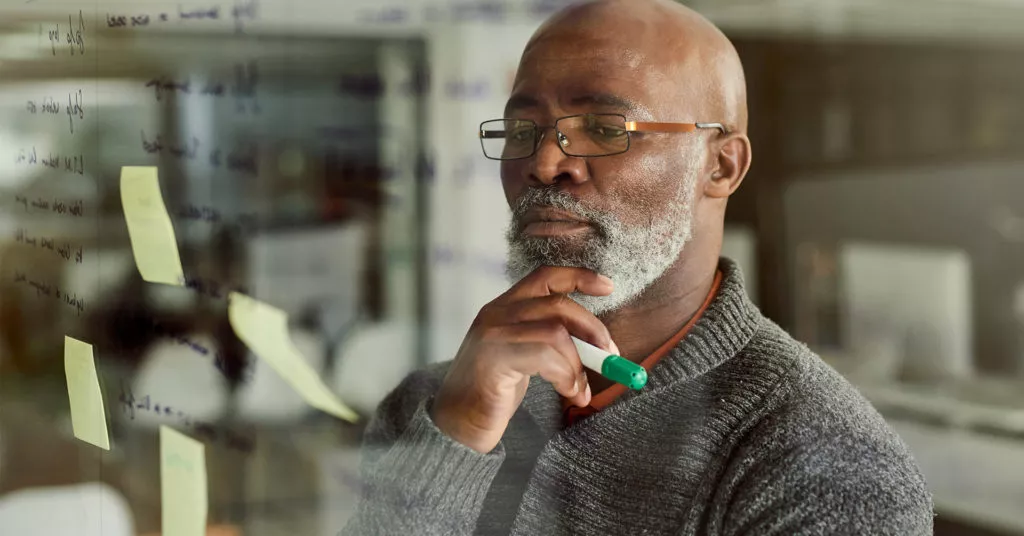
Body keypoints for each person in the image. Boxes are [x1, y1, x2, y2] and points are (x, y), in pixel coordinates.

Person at [342, 0, 933, 534]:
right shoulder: (432, 405)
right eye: (524, 129)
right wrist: (454, 440)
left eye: (603, 129)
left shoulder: (825, 463)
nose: (546, 162)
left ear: (721, 166)